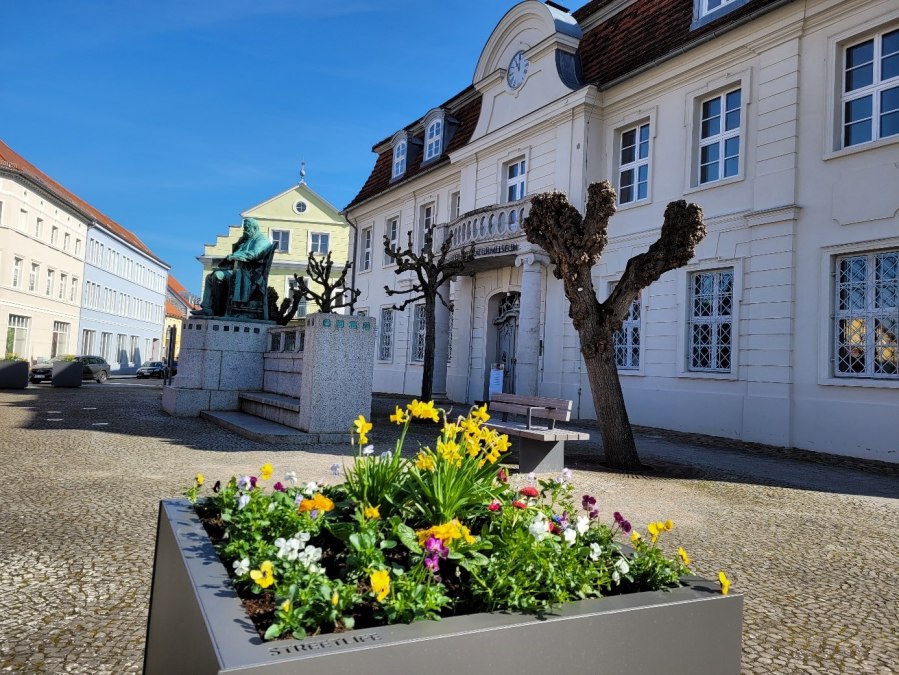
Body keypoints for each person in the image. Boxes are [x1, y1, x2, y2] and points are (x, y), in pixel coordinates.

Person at [195, 218, 274, 317]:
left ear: (254, 228)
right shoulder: (247, 240)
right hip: (239, 271)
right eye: (244, 229)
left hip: (249, 275)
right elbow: (237, 251)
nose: (245, 231)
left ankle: (218, 310)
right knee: (210, 277)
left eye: (247, 228)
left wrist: (236, 256)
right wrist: (240, 242)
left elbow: (255, 254)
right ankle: (207, 308)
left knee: (217, 275)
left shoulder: (262, 240)